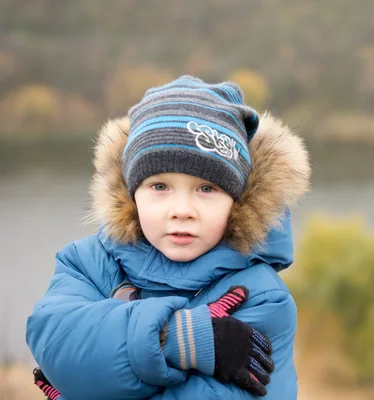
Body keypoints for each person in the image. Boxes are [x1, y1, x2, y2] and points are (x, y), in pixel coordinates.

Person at [26, 75, 311, 399]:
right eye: (159, 187)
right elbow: (55, 343)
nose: (181, 209)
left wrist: (91, 377)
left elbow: (77, 369)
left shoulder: (258, 295)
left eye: (207, 188)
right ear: (132, 194)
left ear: (237, 202)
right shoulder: (87, 264)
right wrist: (179, 339)